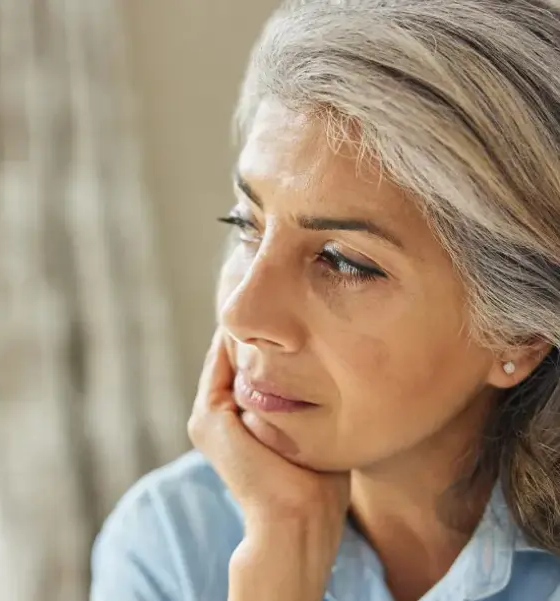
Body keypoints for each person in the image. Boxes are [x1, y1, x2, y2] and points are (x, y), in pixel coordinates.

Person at [89, 1, 560, 600]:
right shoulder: (173, 541)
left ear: (519, 333)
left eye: (344, 261)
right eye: (246, 223)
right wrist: (277, 561)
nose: (241, 313)